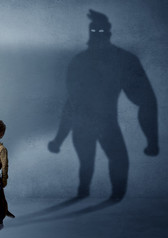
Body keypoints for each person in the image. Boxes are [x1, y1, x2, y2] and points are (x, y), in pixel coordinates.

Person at [48, 10, 159, 201]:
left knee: (102, 162)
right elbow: (71, 104)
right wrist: (152, 141)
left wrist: (152, 140)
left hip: (97, 124)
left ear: (108, 33)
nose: (97, 35)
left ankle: (97, 194)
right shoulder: (104, 61)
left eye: (100, 31)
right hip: (95, 124)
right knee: (93, 162)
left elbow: (147, 101)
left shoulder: (100, 61)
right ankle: (92, 193)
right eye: (95, 31)